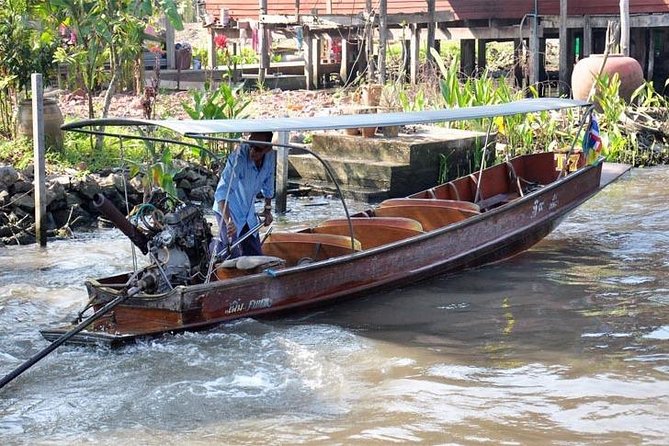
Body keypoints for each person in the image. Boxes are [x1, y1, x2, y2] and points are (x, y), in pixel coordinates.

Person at [212, 131, 275, 258]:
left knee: (256, 253)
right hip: (228, 209)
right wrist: (228, 221)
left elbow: (268, 185)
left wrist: (267, 209)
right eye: (250, 145)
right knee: (230, 253)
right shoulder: (239, 158)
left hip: (248, 211)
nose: (252, 151)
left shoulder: (269, 158)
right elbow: (222, 191)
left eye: (257, 149)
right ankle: (212, 247)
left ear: (267, 149)